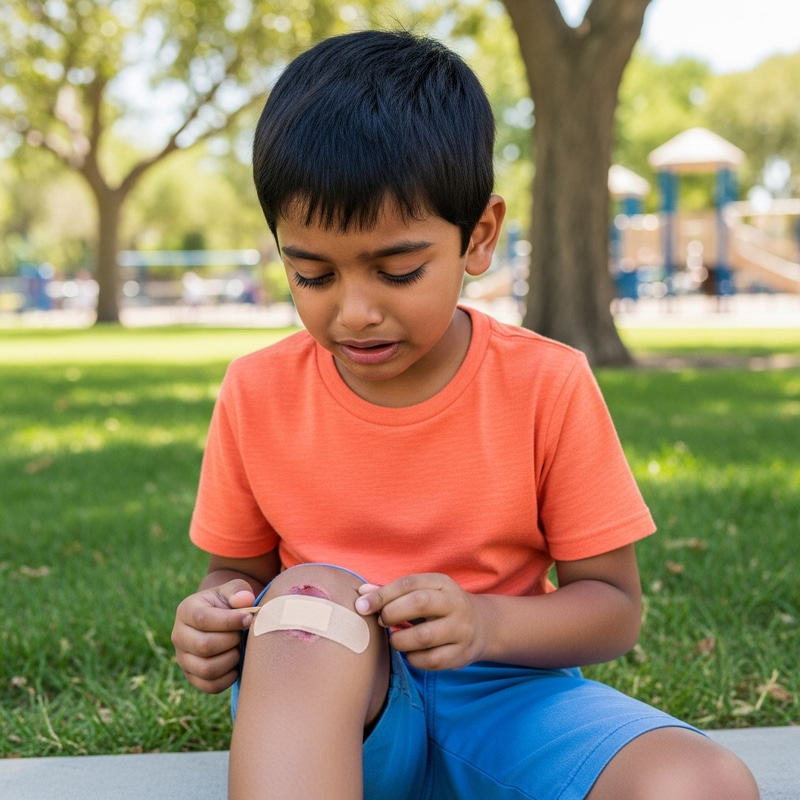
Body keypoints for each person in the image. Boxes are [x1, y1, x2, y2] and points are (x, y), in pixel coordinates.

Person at [172, 29, 759, 800]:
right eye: (311, 273)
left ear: (478, 236)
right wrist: (212, 618)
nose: (355, 312)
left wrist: (487, 624)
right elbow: (237, 578)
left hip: (512, 704)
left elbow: (614, 610)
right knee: (307, 597)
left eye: (399, 270)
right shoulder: (256, 391)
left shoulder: (549, 383)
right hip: (332, 718)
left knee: (704, 782)